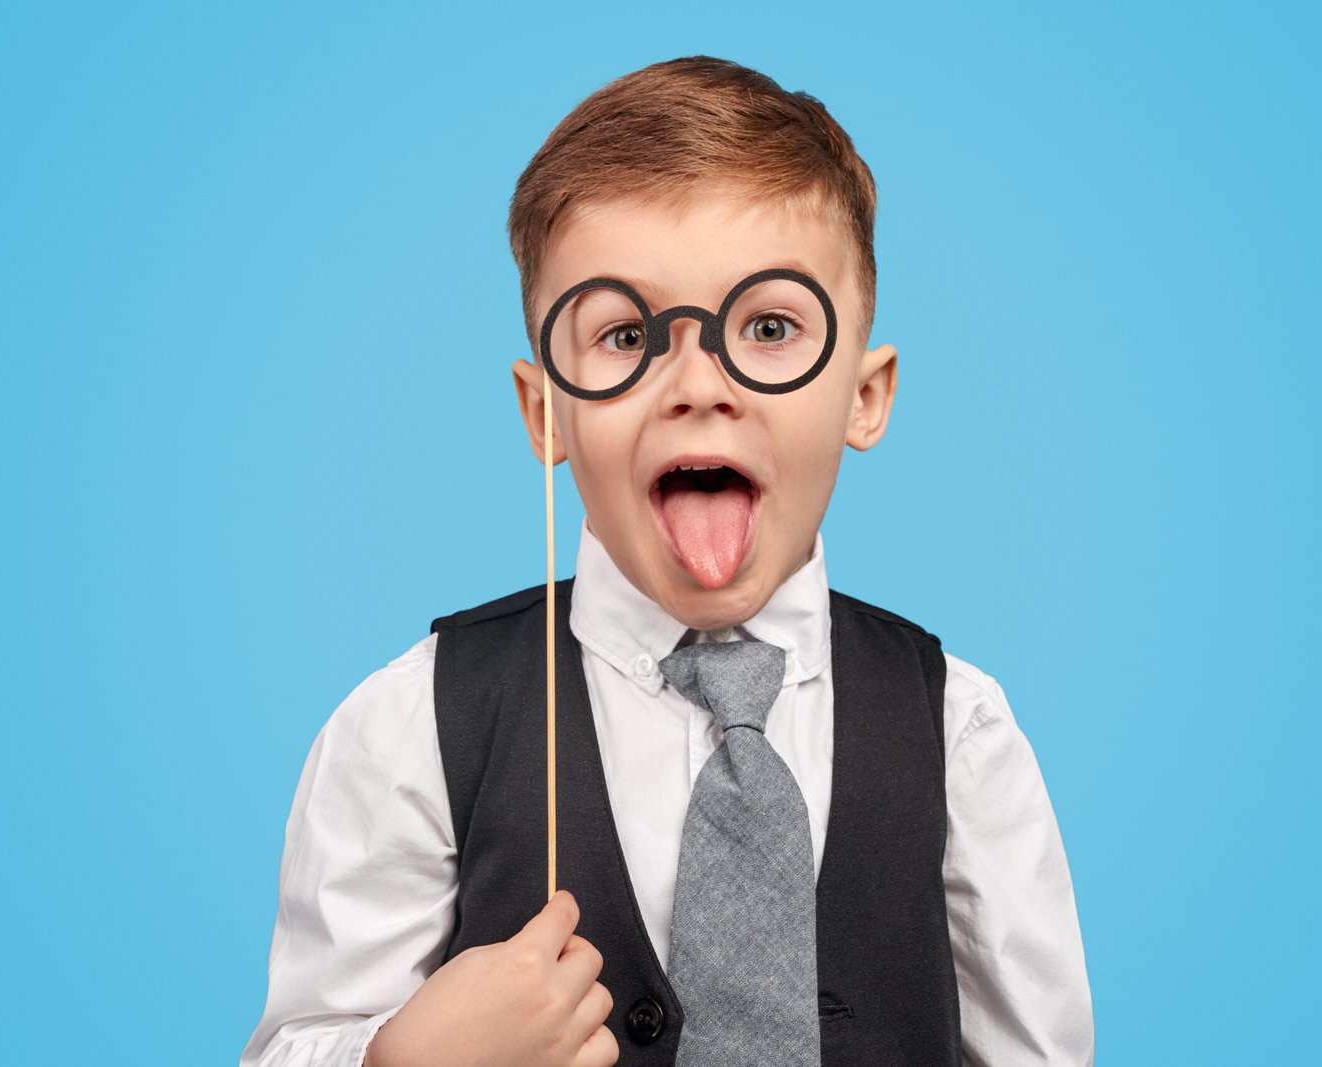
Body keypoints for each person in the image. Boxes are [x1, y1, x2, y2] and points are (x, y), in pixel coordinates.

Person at [241, 56, 1094, 1067]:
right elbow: (295, 1043)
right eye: (625, 333)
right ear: (545, 409)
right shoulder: (410, 725)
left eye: (768, 327)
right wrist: (400, 1061)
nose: (698, 383)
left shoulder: (961, 729)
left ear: (865, 395)